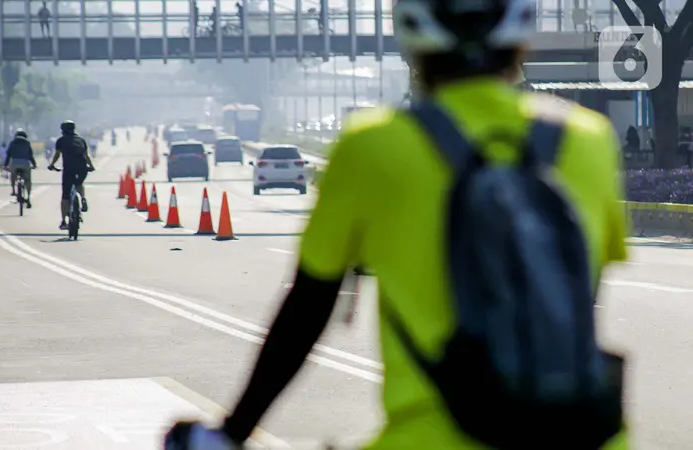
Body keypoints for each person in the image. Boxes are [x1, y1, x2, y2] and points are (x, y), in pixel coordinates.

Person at [162, 0, 629, 448]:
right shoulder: (589, 140)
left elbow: (307, 310)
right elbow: (575, 299)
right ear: (521, 35)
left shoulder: (374, 145)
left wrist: (231, 434)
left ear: (411, 34)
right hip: (582, 433)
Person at [48, 120, 95, 230]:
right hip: (82, 169)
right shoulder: (81, 140)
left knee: (65, 196)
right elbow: (86, 155)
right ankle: (83, 199)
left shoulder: (61, 141)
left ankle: (64, 221)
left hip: (68, 169)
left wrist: (52, 165)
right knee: (79, 183)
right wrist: (91, 166)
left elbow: (57, 155)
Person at [4, 129, 37, 208]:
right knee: (28, 180)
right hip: (25, 163)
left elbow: (8, 155)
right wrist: (34, 164)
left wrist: (5, 165)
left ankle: (13, 190)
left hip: (14, 163)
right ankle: (28, 198)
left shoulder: (12, 143)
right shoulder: (27, 143)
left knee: (13, 176)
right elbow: (30, 156)